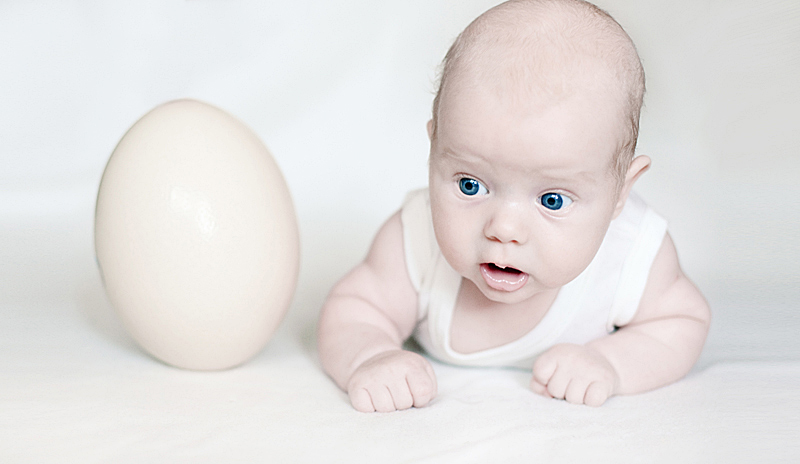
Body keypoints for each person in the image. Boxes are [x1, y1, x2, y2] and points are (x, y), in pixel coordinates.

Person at [317, 0, 711, 412]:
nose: (504, 228)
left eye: (552, 200)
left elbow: (681, 322)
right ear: (434, 152)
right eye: (470, 185)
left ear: (620, 193)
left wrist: (611, 363)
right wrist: (370, 356)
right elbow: (356, 309)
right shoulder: (414, 238)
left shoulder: (631, 254)